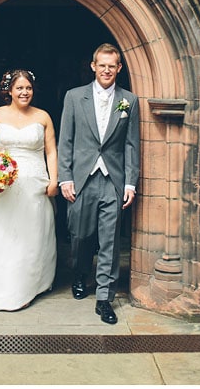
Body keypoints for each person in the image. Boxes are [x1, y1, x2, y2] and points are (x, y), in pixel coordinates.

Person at [57, 43, 140, 324]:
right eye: (101, 65)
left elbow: (131, 145)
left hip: (113, 180)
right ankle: (80, 274)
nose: (106, 70)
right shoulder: (74, 97)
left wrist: (130, 183)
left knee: (110, 240)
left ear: (119, 68)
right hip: (82, 178)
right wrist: (65, 178)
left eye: (112, 66)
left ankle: (105, 298)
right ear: (93, 66)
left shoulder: (128, 100)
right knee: (80, 235)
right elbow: (65, 140)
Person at [0, 69, 59, 311]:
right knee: (2, 234)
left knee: (30, 236)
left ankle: (28, 286)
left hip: (34, 185)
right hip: (3, 188)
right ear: (9, 91)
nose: (24, 92)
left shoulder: (43, 117)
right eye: (19, 88)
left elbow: (51, 151)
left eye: (28, 88)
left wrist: (54, 180)